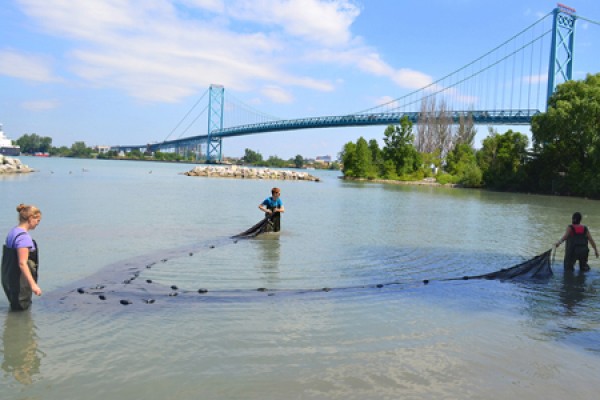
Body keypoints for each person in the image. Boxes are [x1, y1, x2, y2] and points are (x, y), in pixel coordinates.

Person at [2, 204, 42, 311]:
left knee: (15, 306)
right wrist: (33, 285)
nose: (38, 223)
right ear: (30, 218)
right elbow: (22, 263)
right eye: (37, 220)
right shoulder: (24, 238)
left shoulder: (13, 231)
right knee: (21, 309)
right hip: (20, 282)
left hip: (9, 278)